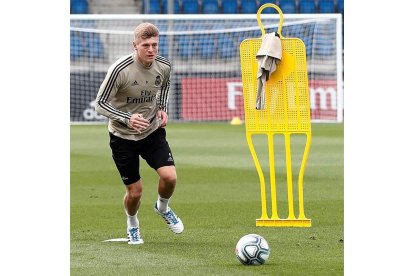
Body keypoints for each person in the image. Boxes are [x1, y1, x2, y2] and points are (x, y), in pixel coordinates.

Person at [95, 22, 184, 245]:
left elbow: (164, 86)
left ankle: (162, 207)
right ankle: (132, 224)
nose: (151, 49)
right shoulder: (120, 69)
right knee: (135, 192)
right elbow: (100, 104)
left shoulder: (163, 65)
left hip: (151, 131)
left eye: (155, 44)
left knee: (170, 177)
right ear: (135, 45)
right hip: (122, 136)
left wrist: (162, 108)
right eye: (146, 45)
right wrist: (127, 118)